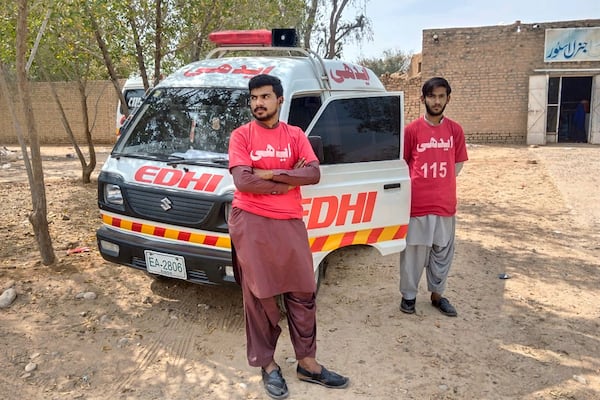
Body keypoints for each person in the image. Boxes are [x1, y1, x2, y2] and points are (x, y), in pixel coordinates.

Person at [227, 74, 349, 399]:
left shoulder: (295, 135)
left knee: (303, 291)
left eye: (265, 97)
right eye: (253, 98)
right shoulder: (241, 136)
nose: (258, 104)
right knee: (260, 296)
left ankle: (307, 363)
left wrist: (267, 173)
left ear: (280, 100)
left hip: (290, 221)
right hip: (250, 220)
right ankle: (267, 365)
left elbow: (314, 172)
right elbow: (243, 182)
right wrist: (288, 181)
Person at [399, 76, 469, 317]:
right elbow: (404, 163)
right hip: (417, 205)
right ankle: (408, 297)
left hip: (445, 205)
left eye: (441, 96)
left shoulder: (455, 130)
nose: (436, 101)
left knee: (442, 253)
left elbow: (457, 164)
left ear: (448, 99)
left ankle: (438, 296)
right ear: (423, 99)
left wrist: (441, 182)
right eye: (432, 96)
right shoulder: (412, 131)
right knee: (413, 254)